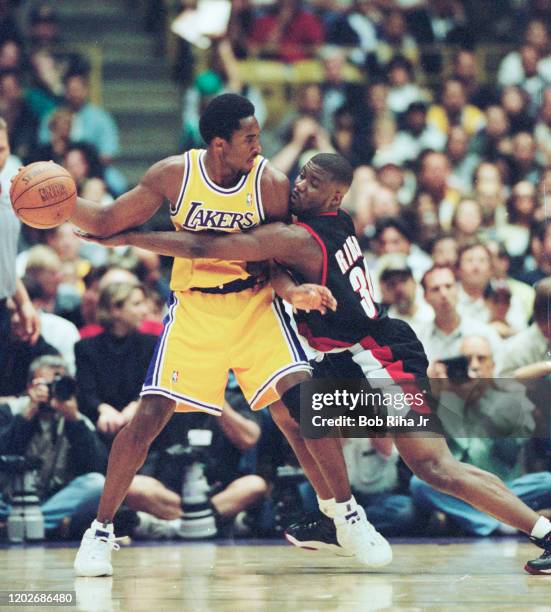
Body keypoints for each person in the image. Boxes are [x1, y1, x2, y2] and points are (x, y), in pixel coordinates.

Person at [89, 152, 551, 574]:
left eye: (311, 183)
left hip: (380, 357)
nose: (298, 186)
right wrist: (289, 288)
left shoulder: (299, 238)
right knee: (291, 408)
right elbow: (271, 265)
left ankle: (542, 532)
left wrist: (129, 235)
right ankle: (336, 514)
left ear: (334, 195)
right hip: (346, 356)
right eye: (301, 176)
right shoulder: (332, 221)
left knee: (434, 468)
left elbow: (203, 249)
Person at [68, 95, 387, 576]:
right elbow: (105, 221)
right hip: (195, 308)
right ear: (219, 144)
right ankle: (101, 529)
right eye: (250, 138)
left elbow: (273, 260)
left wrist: (293, 292)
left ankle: (345, 513)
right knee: (148, 419)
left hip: (256, 304)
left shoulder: (272, 185)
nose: (260, 147)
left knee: (302, 406)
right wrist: (58, 202)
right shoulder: (173, 175)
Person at [411, 335, 551, 537]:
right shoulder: (443, 398)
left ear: (492, 366)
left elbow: (511, 450)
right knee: (419, 483)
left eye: (481, 359)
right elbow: (428, 455)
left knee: (547, 481)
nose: (474, 366)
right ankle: (499, 523)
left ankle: (471, 520)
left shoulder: (510, 397)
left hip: (506, 490)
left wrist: (480, 400)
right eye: (467, 359)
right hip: (459, 490)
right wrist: (433, 393)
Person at [0, 355, 107, 538]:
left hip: (51, 500)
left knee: (98, 483)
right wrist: (28, 415)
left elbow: (98, 465)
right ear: (30, 387)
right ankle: (45, 527)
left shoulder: (76, 418)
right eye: (45, 385)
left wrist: (73, 421)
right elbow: (4, 454)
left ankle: (22, 525)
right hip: (7, 499)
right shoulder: (11, 410)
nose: (51, 391)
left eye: (58, 385)